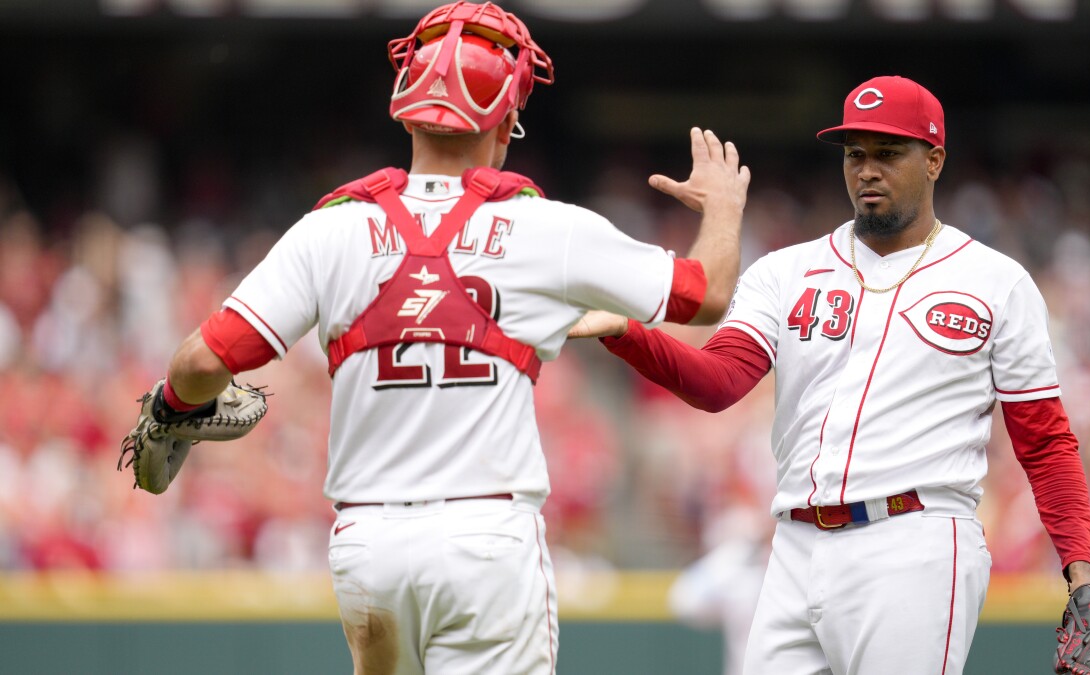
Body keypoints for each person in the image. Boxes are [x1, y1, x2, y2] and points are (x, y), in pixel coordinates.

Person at [143, 2, 749, 674]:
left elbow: (201, 360)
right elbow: (706, 295)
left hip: (368, 543)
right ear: (508, 119)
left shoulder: (334, 226)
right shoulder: (545, 229)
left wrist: (173, 413)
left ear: (406, 105)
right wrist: (723, 209)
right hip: (485, 541)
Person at [569, 75, 1090, 674]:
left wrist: (1079, 567)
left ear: (934, 161)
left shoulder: (997, 282)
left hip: (915, 540)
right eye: (855, 155)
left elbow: (1045, 441)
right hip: (795, 543)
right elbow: (718, 382)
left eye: (887, 153)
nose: (867, 170)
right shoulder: (786, 271)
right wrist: (626, 331)